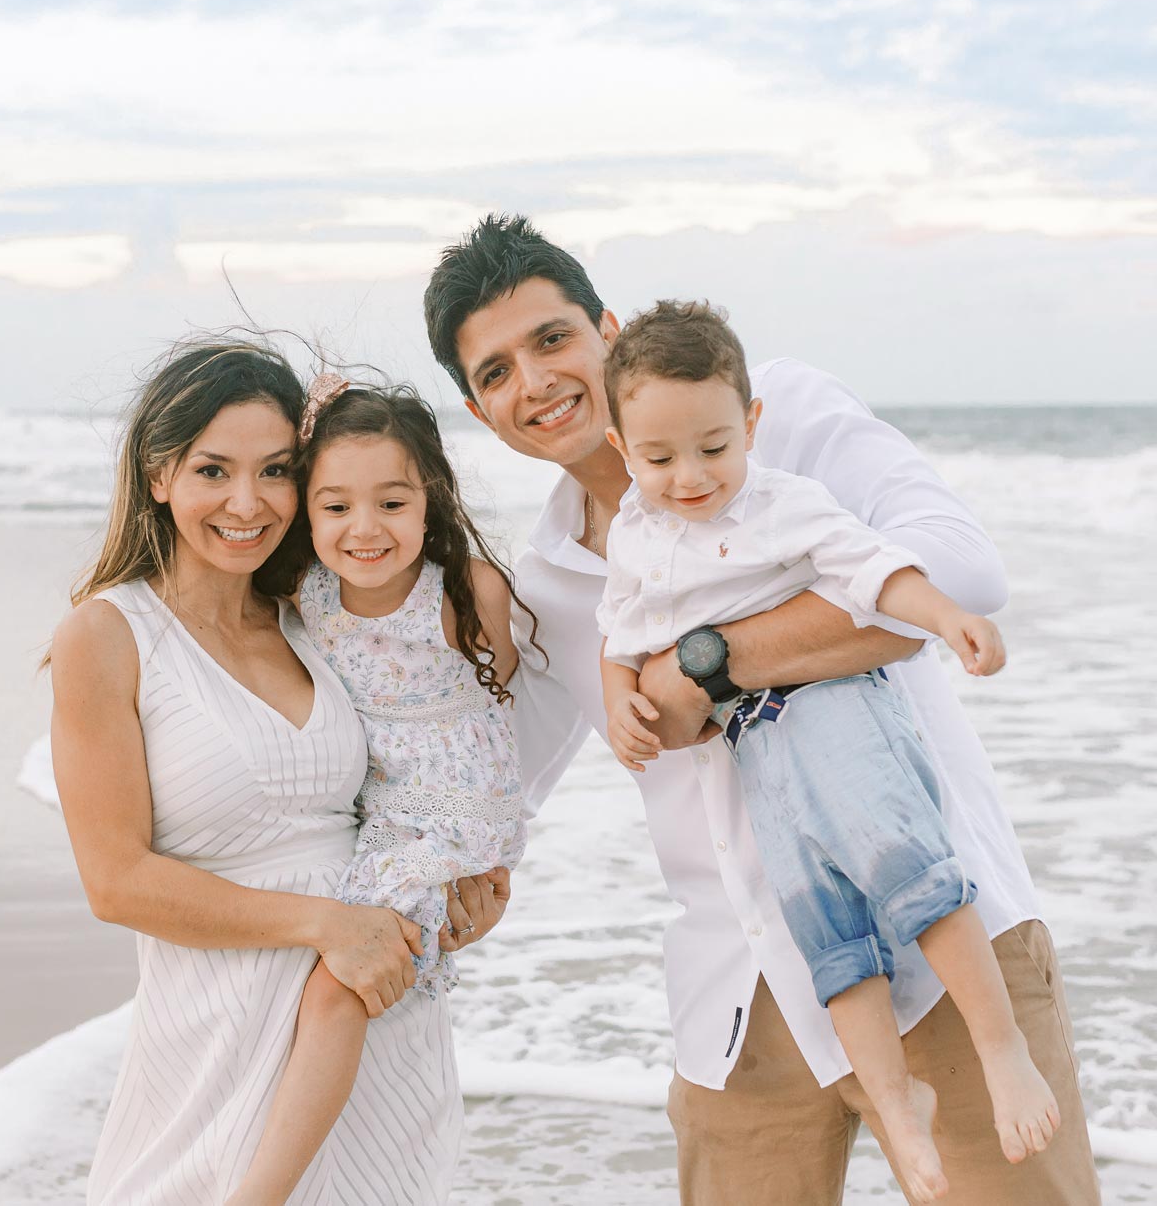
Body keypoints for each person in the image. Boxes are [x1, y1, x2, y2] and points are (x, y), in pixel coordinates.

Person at [423, 216, 1100, 1204]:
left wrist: (705, 666)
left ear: (607, 330)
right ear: (480, 412)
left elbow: (960, 571)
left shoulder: (778, 417)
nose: (533, 381)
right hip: (736, 1000)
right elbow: (499, 779)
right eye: (493, 373)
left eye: (552, 338)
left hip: (933, 934)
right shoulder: (548, 576)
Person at [596, 300, 1059, 1200]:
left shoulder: (783, 504)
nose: (691, 476)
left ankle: (1002, 1053)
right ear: (622, 449)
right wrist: (621, 702)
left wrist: (951, 618)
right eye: (659, 458)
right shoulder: (636, 536)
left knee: (920, 883)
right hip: (759, 751)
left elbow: (878, 570)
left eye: (715, 448)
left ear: (751, 425)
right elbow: (619, 633)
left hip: (839, 716)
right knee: (835, 945)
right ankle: (898, 1107)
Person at [46, 338, 505, 1206]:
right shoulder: (109, 635)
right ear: (158, 474)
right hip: (217, 1041)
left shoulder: (317, 617)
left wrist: (455, 893)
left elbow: (422, 769)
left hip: (374, 1028)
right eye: (214, 470)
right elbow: (116, 881)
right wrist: (329, 924)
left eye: (277, 470)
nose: (247, 502)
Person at [225, 376, 530, 1206]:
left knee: (335, 991)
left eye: (392, 503)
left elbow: (495, 701)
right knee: (317, 989)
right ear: (307, 513)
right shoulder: (309, 596)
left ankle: (258, 1195)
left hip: (450, 820)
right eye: (336, 507)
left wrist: (486, 848)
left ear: (429, 500)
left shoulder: (467, 593)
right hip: (384, 814)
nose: (365, 529)